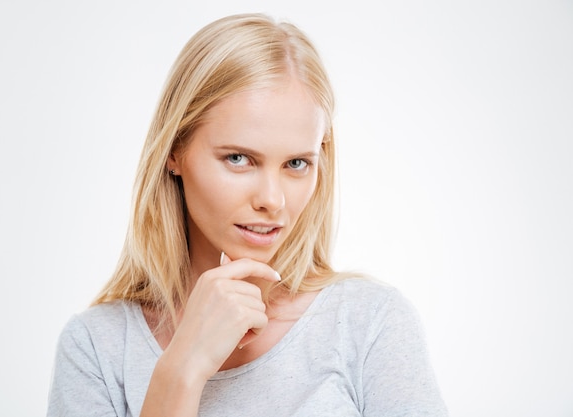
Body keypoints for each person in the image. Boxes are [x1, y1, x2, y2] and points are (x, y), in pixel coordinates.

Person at [47, 13, 448, 417]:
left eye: (296, 164)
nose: (273, 200)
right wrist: (181, 369)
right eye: (239, 159)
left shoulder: (370, 323)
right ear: (175, 151)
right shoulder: (96, 348)